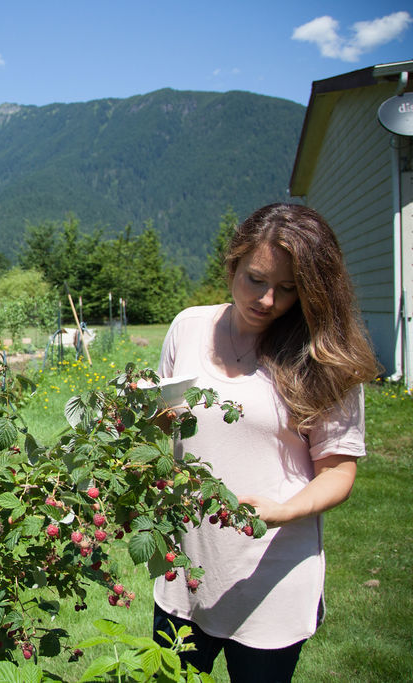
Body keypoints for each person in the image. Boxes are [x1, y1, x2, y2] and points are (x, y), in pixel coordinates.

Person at [151, 203, 381, 682]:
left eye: (289, 288)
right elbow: (160, 428)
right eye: (255, 279)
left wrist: (283, 510)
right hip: (184, 574)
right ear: (233, 263)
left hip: (268, 579)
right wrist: (147, 419)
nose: (267, 299)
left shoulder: (322, 358)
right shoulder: (188, 327)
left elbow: (338, 471)